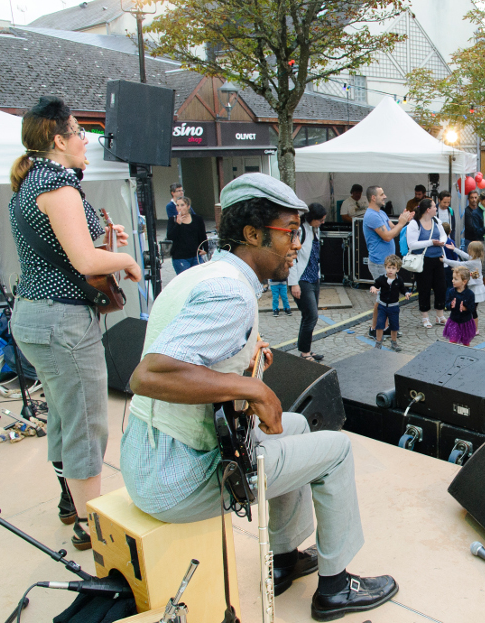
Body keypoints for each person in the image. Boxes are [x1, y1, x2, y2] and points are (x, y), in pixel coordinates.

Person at [123, 173, 398, 618]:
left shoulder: (205, 275)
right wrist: (251, 387)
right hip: (177, 477)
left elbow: (194, 359)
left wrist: (244, 360)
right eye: (290, 233)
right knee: (337, 449)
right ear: (252, 234)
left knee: (299, 426)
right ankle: (335, 587)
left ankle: (284, 558)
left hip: (153, 458)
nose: (297, 244)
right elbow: (150, 374)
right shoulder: (230, 292)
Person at [9, 96, 141, 549]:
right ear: (59, 139)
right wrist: (125, 258)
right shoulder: (59, 188)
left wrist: (107, 240)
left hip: (36, 317)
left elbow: (67, 248)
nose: (87, 141)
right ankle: (92, 526)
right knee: (86, 421)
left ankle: (70, 503)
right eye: (80, 133)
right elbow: (85, 262)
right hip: (61, 323)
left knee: (66, 417)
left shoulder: (32, 183)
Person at [364, 186, 413, 338]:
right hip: (379, 263)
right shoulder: (372, 216)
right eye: (381, 194)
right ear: (373, 197)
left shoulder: (381, 213)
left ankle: (381, 328)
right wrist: (401, 223)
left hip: (385, 263)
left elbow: (393, 228)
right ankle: (375, 329)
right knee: (382, 298)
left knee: (385, 298)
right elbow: (388, 236)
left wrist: (403, 221)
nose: (385, 196)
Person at [289, 202, 327, 359]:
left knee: (309, 316)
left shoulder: (314, 230)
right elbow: (292, 257)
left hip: (313, 278)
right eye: (320, 219)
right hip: (302, 279)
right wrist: (294, 283)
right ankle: (305, 353)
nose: (322, 222)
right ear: (312, 218)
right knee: (311, 315)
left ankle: (306, 349)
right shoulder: (300, 231)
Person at [406, 198, 448, 328]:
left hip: (438, 258)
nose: (436, 208)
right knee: (424, 288)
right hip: (423, 260)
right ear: (428, 210)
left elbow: (443, 235)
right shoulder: (414, 224)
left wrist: (442, 241)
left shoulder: (436, 221)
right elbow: (411, 244)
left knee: (441, 287)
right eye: (434, 206)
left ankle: (440, 315)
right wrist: (431, 242)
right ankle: (425, 316)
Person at [443, 241, 485, 335]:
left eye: (469, 249)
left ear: (473, 251)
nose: (468, 250)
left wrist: (445, 260)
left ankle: (475, 329)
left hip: (476, 290)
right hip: (474, 288)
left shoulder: (473, 262)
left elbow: (458, 264)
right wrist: (454, 249)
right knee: (470, 310)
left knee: (472, 310)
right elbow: (465, 255)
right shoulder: (475, 259)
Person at [369, 255, 410, 351]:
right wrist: (373, 288)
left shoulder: (399, 280)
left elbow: (403, 288)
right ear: (385, 268)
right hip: (382, 306)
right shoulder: (381, 279)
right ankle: (378, 342)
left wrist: (407, 293)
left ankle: (394, 342)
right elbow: (374, 285)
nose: (390, 270)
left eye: (393, 268)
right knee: (380, 324)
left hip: (394, 307)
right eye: (388, 268)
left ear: (398, 269)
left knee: (394, 326)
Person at [166, 195, 208, 275]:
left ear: (188, 206)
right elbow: (170, 236)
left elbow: (202, 234)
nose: (179, 208)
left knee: (198, 278)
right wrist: (178, 224)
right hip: (180, 257)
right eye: (177, 205)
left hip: (195, 255)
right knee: (185, 279)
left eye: (182, 205)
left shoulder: (197, 219)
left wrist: (205, 248)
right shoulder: (173, 220)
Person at [442, 266, 477, 346]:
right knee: (452, 341)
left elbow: (472, 308)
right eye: (453, 278)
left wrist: (465, 308)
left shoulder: (470, 294)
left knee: (466, 343)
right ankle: (452, 354)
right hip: (454, 321)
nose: (453, 281)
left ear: (464, 282)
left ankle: (465, 354)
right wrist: (450, 305)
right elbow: (446, 305)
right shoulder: (451, 292)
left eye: (456, 279)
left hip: (466, 322)